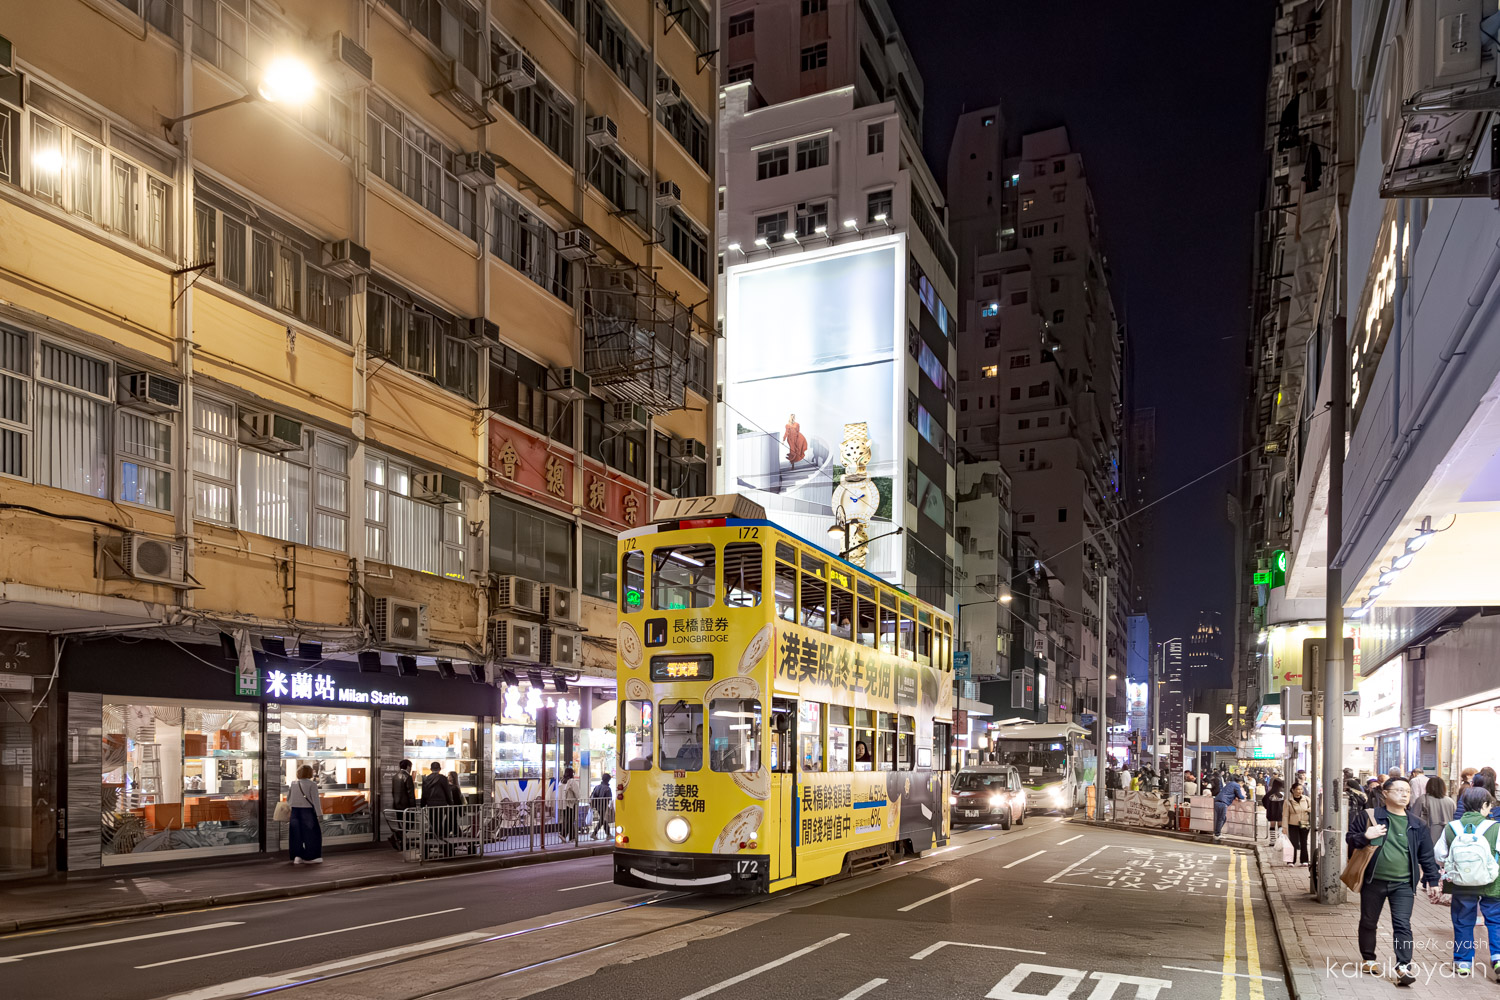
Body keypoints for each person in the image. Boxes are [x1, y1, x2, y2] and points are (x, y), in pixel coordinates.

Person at [1347, 776, 1442, 985]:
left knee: (1402, 924)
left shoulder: (1417, 824)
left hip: (1404, 884)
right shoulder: (1370, 816)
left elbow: (1426, 855)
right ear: (1385, 794)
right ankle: (1368, 958)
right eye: (1398, 790)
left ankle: (1403, 967)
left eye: (1407, 791)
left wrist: (1433, 881)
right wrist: (1366, 836)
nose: (1404, 794)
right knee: (1369, 921)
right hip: (1374, 880)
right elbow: (1350, 840)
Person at [1433, 786, 1500, 978]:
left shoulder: (1452, 827)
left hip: (1460, 883)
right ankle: (1498, 958)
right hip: (1492, 883)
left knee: (1463, 921)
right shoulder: (1496, 828)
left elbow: (1440, 855)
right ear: (1485, 806)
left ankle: (1463, 962)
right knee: (1496, 920)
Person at [286, 764, 324, 865]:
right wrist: (319, 814)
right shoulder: (312, 784)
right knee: (312, 834)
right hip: (307, 812)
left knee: (296, 835)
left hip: (295, 812)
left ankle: (297, 856)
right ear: (310, 773)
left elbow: (288, 799)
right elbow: (316, 801)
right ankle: (313, 856)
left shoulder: (293, 783)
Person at [388, 758, 416, 850]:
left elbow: (392, 791)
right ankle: (395, 838)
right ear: (408, 767)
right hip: (406, 805)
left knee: (402, 824)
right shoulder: (407, 777)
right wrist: (413, 806)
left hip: (397, 805)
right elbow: (410, 793)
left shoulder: (395, 776)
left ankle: (402, 842)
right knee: (409, 824)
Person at [1285, 782, 1311, 866]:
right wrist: (1284, 827)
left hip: (1305, 823)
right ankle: (1291, 861)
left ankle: (1304, 860)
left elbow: (1313, 808)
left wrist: (1309, 810)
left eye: (1301, 789)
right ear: (1293, 790)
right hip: (1293, 824)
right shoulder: (1288, 801)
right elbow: (1285, 815)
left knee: (1304, 842)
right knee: (1293, 843)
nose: (1299, 791)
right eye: (1297, 789)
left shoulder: (1306, 799)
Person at [1214, 772, 1245, 840]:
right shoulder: (1236, 785)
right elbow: (1240, 795)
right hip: (1223, 802)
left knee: (1222, 818)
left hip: (1217, 801)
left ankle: (1217, 832)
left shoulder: (1229, 784)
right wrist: (1244, 797)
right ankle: (1217, 834)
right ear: (1240, 781)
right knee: (1221, 818)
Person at [590, 774, 614, 840]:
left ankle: (608, 833)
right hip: (604, 806)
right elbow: (609, 798)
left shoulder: (597, 787)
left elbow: (592, 796)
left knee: (603, 819)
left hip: (597, 805)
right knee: (602, 820)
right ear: (608, 780)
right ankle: (595, 833)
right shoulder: (607, 788)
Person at [559, 766, 581, 840]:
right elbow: (577, 792)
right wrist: (578, 799)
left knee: (568, 820)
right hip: (571, 803)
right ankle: (564, 835)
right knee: (571, 820)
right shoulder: (571, 781)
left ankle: (572, 837)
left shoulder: (561, 781)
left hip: (563, 804)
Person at [1264, 778, 1286, 846]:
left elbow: (1264, 800)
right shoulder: (1283, 793)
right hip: (1281, 811)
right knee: (1280, 826)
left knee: (1272, 825)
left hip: (1272, 811)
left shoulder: (1270, 793)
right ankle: (1280, 840)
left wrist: (1268, 807)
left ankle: (1272, 841)